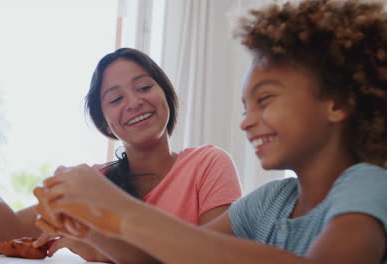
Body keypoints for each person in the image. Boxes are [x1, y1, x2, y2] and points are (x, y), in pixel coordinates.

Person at [34, 0, 387, 263]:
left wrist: (119, 210)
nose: (246, 121)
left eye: (265, 100)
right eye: (245, 108)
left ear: (336, 103)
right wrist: (93, 228)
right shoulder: (268, 203)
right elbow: (172, 256)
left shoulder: (368, 184)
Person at [0, 48, 242, 262]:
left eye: (144, 87)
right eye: (115, 99)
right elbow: (8, 236)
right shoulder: (95, 181)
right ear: (106, 123)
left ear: (165, 96)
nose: (134, 102)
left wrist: (96, 243)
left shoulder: (207, 163)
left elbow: (212, 256)